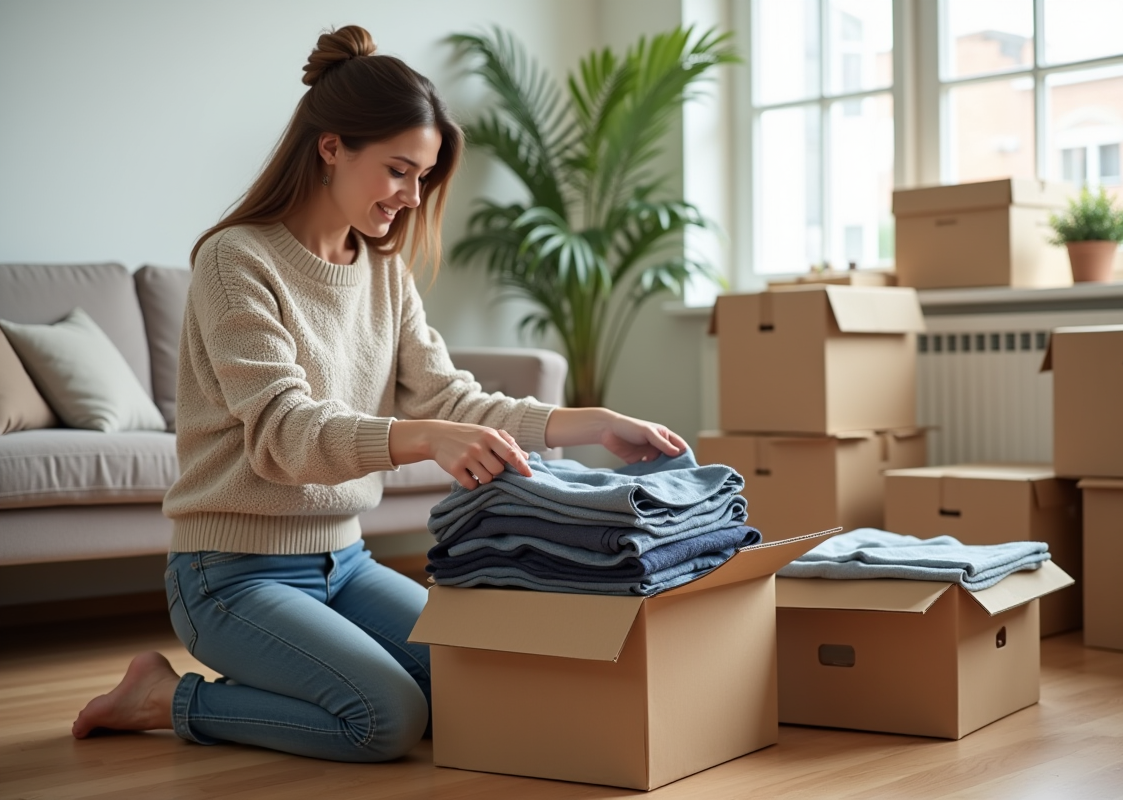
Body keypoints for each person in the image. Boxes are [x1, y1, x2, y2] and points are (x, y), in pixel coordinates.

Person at [71, 24, 688, 763]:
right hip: (229, 573)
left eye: (423, 177)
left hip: (348, 562)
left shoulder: (383, 270)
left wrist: (590, 423)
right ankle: (165, 698)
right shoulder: (236, 261)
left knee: (478, 683)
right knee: (385, 719)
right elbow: (285, 433)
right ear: (332, 147)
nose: (413, 196)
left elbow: (446, 395)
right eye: (399, 171)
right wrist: (422, 438)